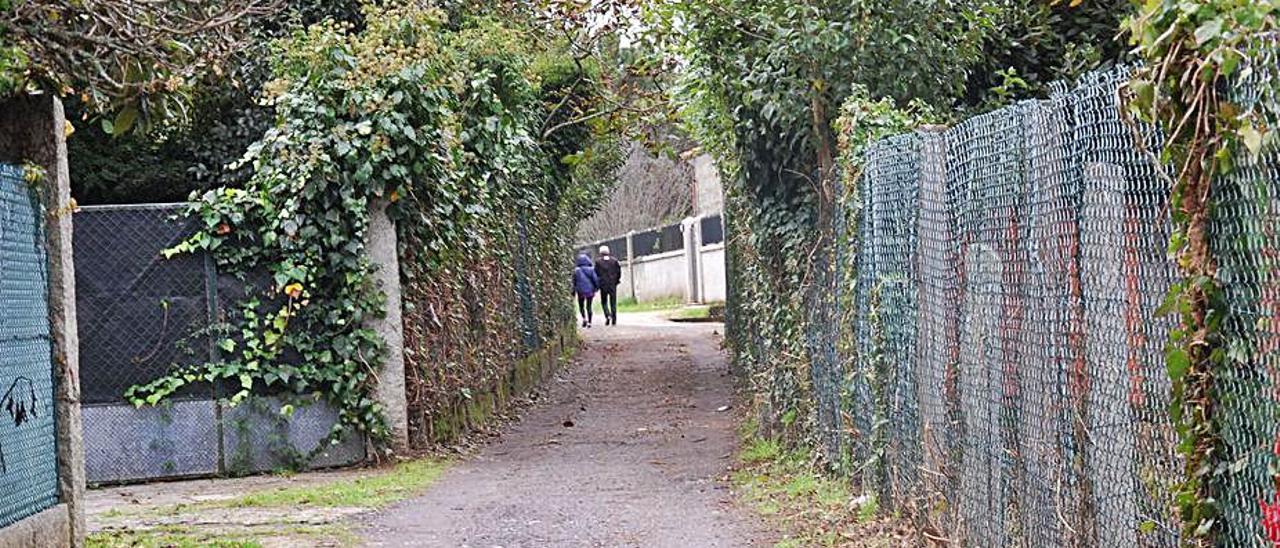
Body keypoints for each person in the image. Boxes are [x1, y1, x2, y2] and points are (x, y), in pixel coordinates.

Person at [594, 245, 622, 325]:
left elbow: (596, 273)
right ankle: (614, 319)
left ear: (600, 253)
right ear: (608, 252)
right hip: (612, 284)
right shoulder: (614, 261)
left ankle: (607, 315)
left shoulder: (598, 262)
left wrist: (597, 283)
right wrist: (617, 280)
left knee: (604, 302)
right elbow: (618, 271)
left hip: (603, 285)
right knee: (613, 302)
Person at [572, 254, 600, 327]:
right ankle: (590, 322)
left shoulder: (576, 270)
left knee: (581, 306)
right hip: (589, 291)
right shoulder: (591, 269)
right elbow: (595, 279)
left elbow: (574, 282)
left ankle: (584, 318)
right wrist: (597, 288)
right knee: (589, 306)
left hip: (580, 291)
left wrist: (573, 291)